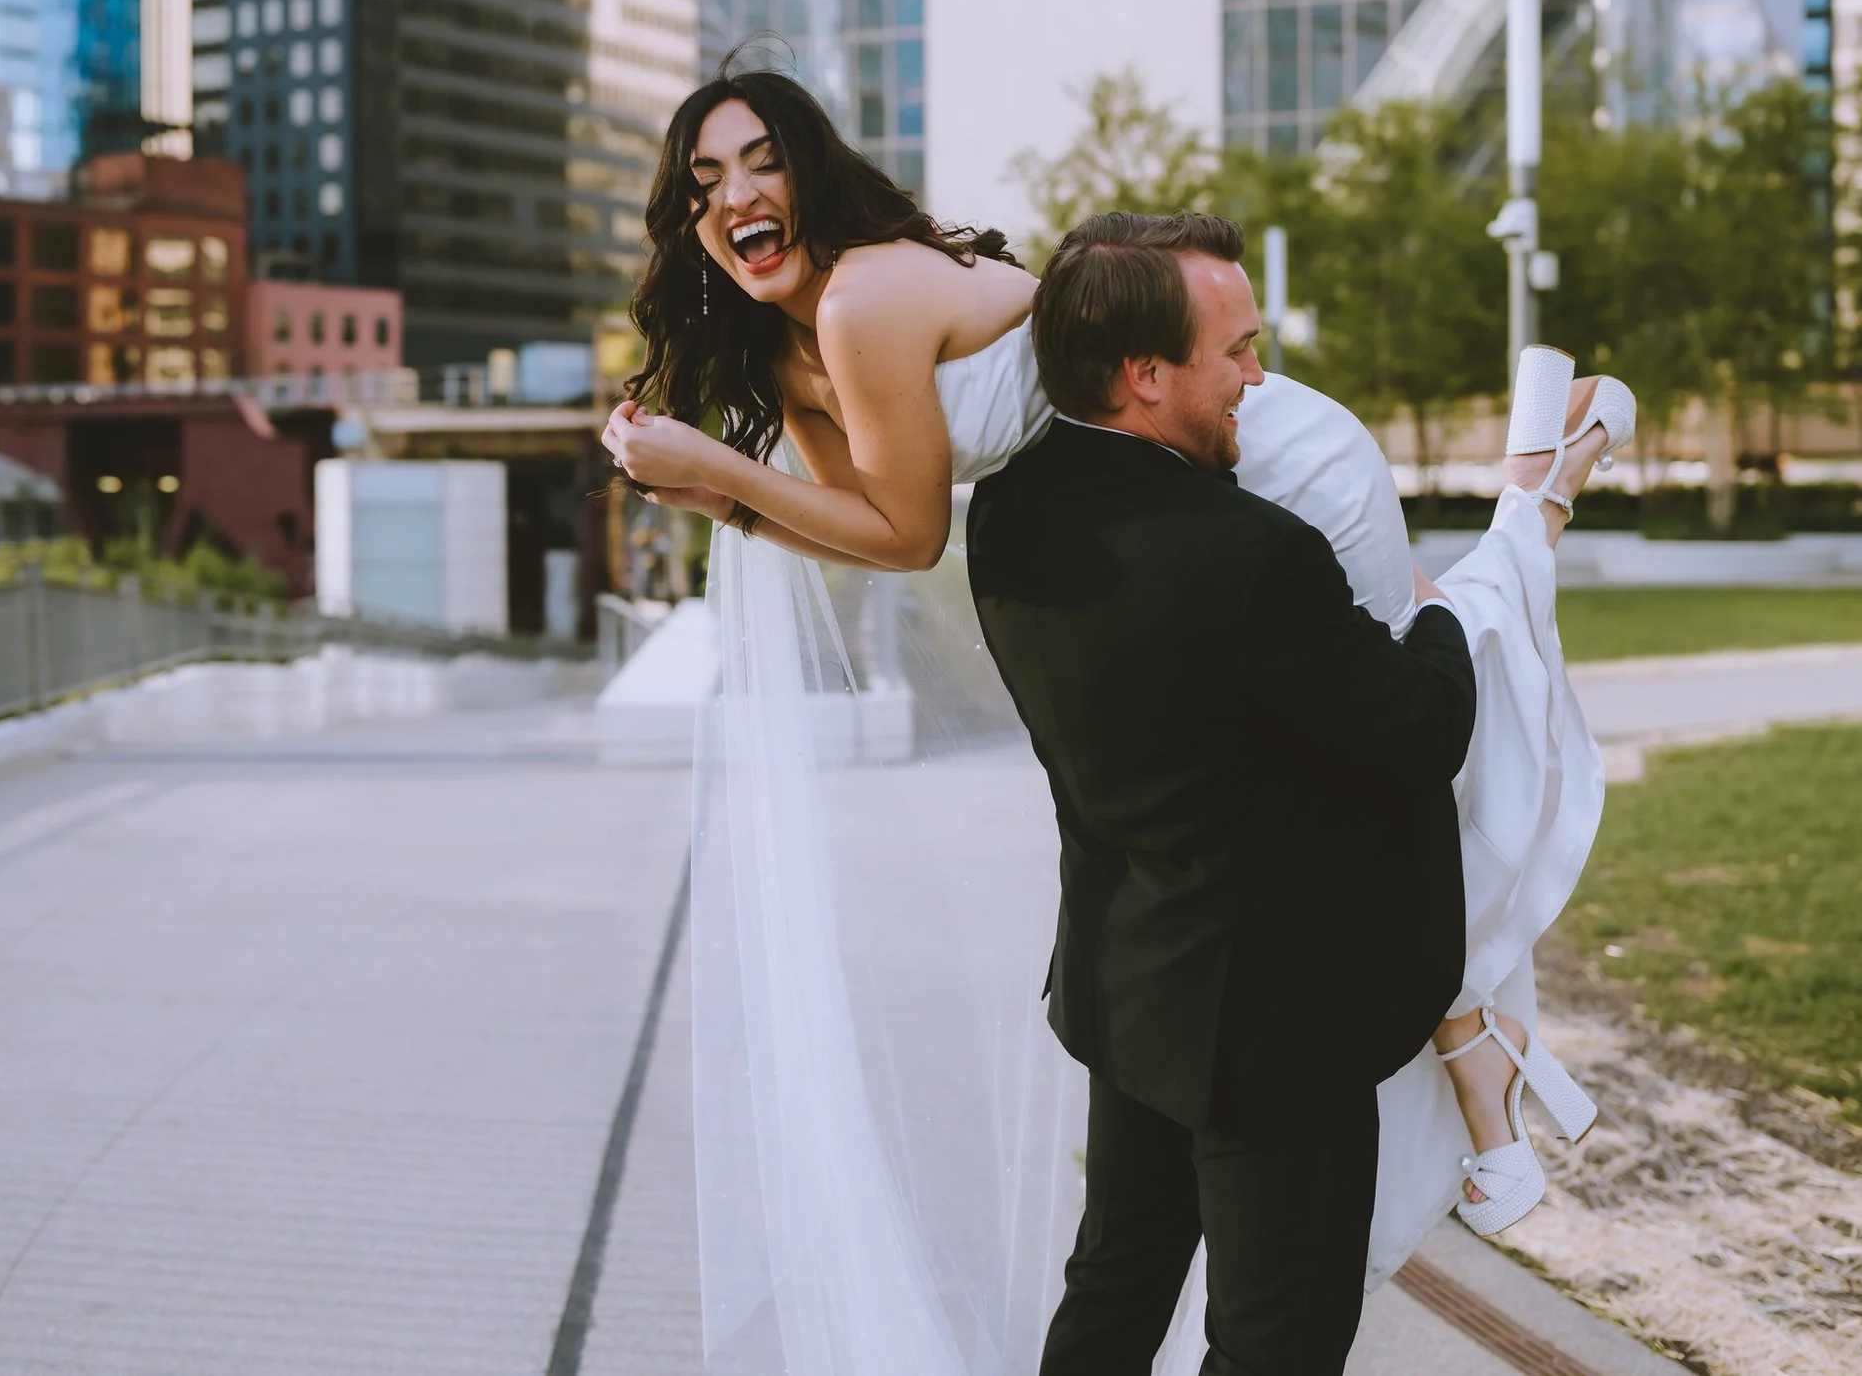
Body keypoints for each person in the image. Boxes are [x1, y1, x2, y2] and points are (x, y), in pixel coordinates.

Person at [604, 69, 1632, 1368]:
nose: (736, 195)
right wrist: (1445, 608)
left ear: (807, 167)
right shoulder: (818, 333)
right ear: (688, 217)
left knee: (1126, 1255)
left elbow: (907, 530)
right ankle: (1531, 518)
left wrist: (718, 480)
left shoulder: (937, 394)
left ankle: (1468, 1022)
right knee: (1417, 719)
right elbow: (891, 523)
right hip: (1173, 527)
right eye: (705, 182)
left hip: (1230, 499)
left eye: (758, 161)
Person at [964, 229, 1475, 1373]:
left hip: (1129, 982)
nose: (1258, 376)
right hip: (1271, 1027)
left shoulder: (1007, 514)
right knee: (1273, 1340)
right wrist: (1439, 614)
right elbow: (1420, 727)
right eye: (1237, 349)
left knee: (1114, 1282)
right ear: (1144, 372)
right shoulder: (1252, 556)